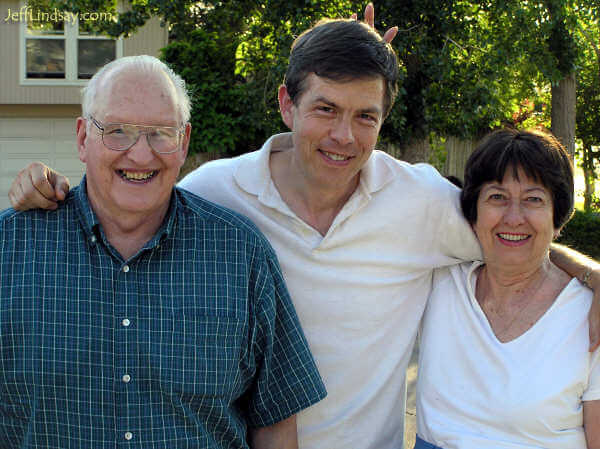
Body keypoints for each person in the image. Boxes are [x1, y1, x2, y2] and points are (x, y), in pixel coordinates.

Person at [7, 9, 600, 449]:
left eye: (365, 116)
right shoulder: (218, 193)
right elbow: (130, 193)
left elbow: (511, 233)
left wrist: (590, 275)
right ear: (288, 105)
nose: (344, 136)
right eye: (325, 110)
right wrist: (49, 189)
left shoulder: (419, 200)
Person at [0, 55, 326, 448]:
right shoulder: (10, 249)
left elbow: (274, 422)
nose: (140, 155)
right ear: (83, 138)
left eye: (160, 133)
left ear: (184, 142)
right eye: (117, 131)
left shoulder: (240, 254)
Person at [415, 129, 600, 449]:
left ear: (558, 218)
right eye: (497, 197)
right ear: (472, 214)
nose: (514, 217)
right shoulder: (440, 281)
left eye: (533, 199)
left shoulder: (590, 316)